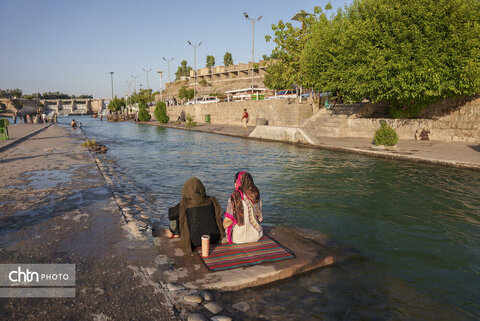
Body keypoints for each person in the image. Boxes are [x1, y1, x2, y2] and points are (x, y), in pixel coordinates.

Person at [166, 177, 224, 253]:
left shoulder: (184, 204)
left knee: (177, 215)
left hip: (193, 241)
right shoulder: (212, 200)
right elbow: (220, 214)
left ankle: (174, 233)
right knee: (181, 213)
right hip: (213, 238)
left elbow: (170, 215)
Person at [223, 171, 263, 244]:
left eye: (235, 181)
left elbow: (227, 222)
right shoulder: (256, 195)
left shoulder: (235, 197)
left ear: (239, 182)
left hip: (238, 238)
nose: (235, 184)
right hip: (256, 235)